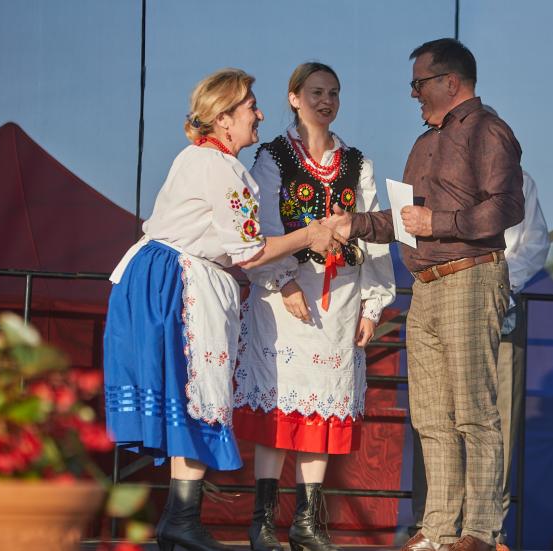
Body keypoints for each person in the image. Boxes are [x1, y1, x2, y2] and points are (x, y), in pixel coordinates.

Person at [103, 68, 345, 551]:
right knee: (198, 391)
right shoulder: (219, 166)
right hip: (181, 282)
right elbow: (249, 252)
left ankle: (178, 518)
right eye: (250, 106)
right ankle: (182, 519)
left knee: (187, 395)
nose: (259, 113)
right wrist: (310, 234)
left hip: (161, 276)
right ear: (223, 118)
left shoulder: (199, 159)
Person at [326, 39, 525, 551]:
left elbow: (508, 207)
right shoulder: (423, 144)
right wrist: (354, 224)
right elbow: (405, 222)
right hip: (426, 286)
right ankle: (438, 530)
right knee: (431, 417)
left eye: (418, 83)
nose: (412, 94)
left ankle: (480, 531)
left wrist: (439, 222)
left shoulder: (489, 130)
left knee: (474, 412)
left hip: (470, 277)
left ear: (450, 82)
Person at [232, 62, 395, 551]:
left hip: (339, 296)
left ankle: (305, 522)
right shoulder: (273, 156)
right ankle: (262, 522)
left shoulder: (357, 163)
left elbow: (373, 232)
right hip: (284, 299)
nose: (326, 101)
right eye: (316, 92)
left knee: (324, 406)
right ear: (294, 98)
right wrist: (282, 282)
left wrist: (373, 304)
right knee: (279, 405)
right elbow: (262, 224)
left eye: (334, 94)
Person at [409, 169, 549, 550]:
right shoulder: (435, 175)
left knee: (494, 420)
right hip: (442, 310)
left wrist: (495, 279)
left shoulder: (518, 179)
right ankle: (435, 526)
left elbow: (536, 243)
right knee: (438, 416)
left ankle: (488, 531)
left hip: (497, 315)